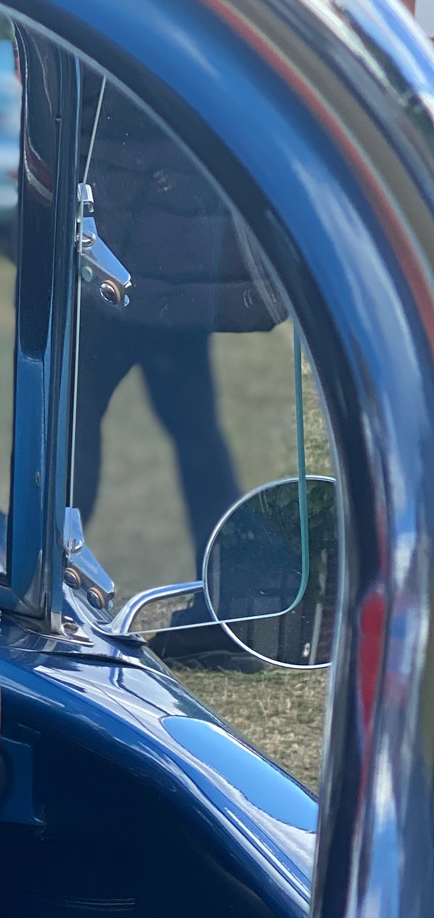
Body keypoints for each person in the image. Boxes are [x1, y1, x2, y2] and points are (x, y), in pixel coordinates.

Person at [73, 87, 274, 565]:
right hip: (131, 251)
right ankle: (49, 575)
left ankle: (233, 575)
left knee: (77, 435)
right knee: (72, 437)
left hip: (149, 254)